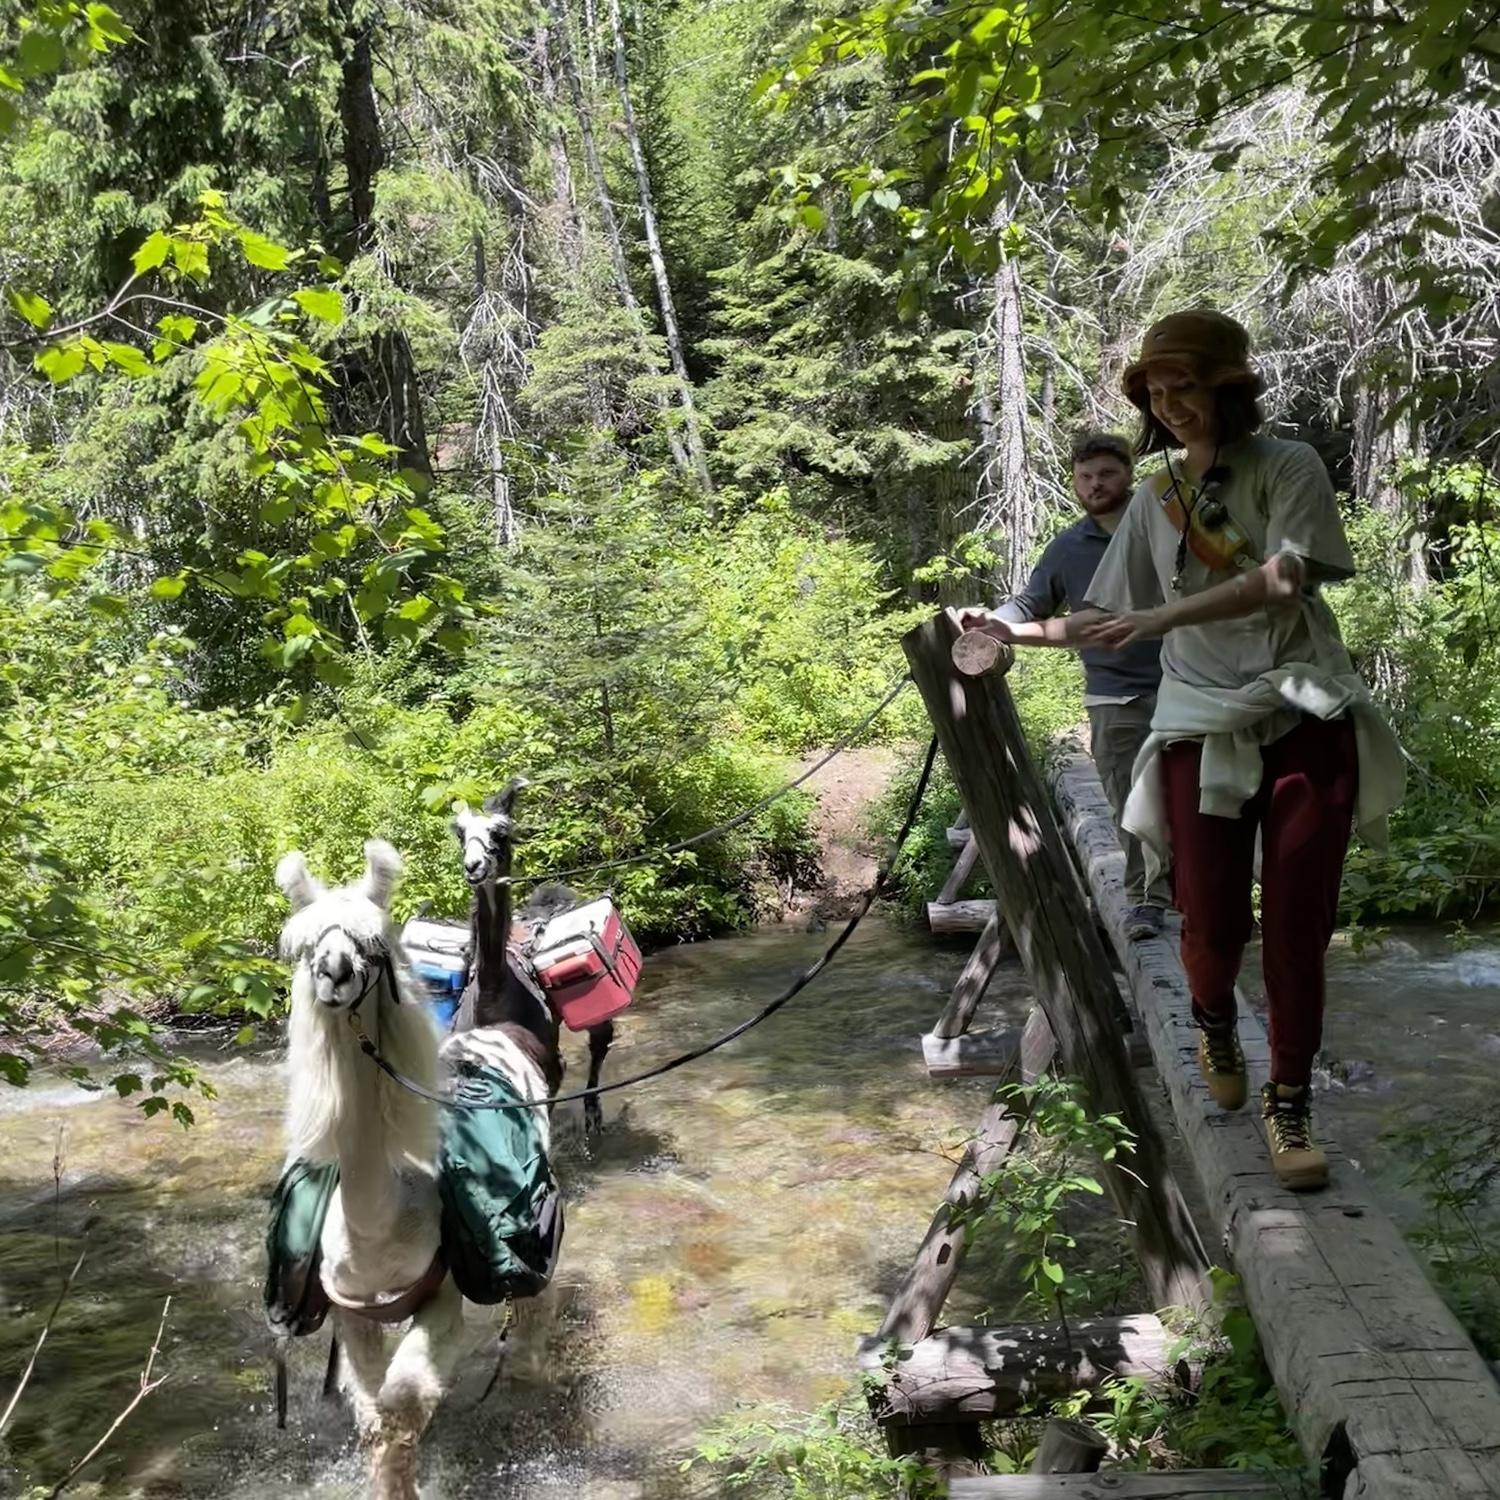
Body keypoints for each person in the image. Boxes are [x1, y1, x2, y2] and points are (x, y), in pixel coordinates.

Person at [969, 309, 1404, 1192]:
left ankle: (1289, 1103)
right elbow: (1102, 613)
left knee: (1297, 928)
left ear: (1228, 389)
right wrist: (1014, 633)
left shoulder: (1290, 466)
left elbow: (1287, 576)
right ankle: (1211, 1017)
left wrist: (1164, 617)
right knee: (1207, 925)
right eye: (1157, 393)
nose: (1171, 407)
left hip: (1304, 709)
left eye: (1186, 387)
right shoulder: (1157, 495)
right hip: (1197, 724)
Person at [962, 431, 1171, 940]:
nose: (1096, 485)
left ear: (1128, 474)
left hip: (1188, 685)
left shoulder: (1164, 528)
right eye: (1086, 477)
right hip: (1114, 695)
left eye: (1107, 474)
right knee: (1130, 804)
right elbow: (1033, 605)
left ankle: (1208, 900)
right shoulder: (1069, 546)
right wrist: (989, 619)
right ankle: (1147, 901)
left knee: (1202, 799)